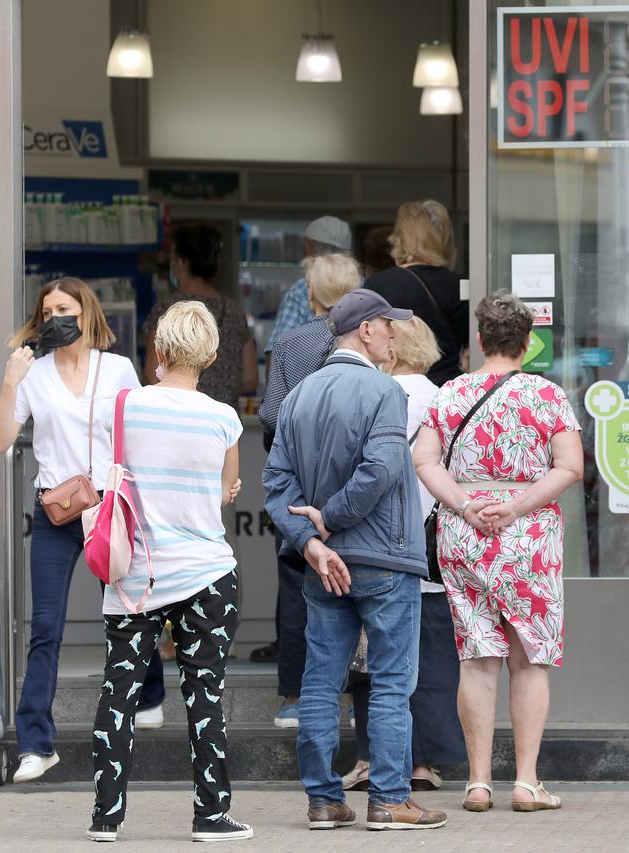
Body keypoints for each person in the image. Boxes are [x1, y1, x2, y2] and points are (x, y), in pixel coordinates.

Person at [263, 289, 447, 832]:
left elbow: (276, 484)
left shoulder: (298, 395)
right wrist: (329, 520)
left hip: (324, 564)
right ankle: (389, 800)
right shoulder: (383, 390)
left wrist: (311, 541)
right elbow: (383, 468)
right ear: (365, 331)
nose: (394, 335)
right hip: (384, 558)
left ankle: (323, 800)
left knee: (320, 681)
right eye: (388, 326)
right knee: (392, 681)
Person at [412, 293, 584, 814]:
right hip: (528, 535)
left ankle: (478, 782)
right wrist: (517, 506)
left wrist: (466, 505)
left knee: (476, 658)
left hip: (466, 535)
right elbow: (570, 466)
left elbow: (423, 458)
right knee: (530, 657)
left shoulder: (451, 393)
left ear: (480, 341)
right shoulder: (548, 395)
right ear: (528, 343)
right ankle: (527, 781)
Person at [88, 301, 251, 843]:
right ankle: (211, 816)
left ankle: (106, 819)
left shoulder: (126, 405)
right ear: (210, 355)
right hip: (206, 572)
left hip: (134, 574)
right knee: (205, 698)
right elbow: (226, 492)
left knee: (120, 694)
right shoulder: (224, 417)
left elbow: (108, 472)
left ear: (158, 350)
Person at [0, 278, 149, 783]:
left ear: (85, 312)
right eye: (48, 309)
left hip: (109, 510)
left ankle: (152, 697)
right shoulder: (33, 373)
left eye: (65, 307)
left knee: (129, 611)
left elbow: (141, 432)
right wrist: (11, 381)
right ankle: (36, 742)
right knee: (46, 628)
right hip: (57, 512)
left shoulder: (118, 367)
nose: (56, 316)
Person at [342, 317, 466, 792]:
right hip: (436, 543)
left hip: (377, 541)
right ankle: (422, 762)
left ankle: (372, 759)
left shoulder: (370, 395)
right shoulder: (447, 400)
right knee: (432, 654)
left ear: (390, 349)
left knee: (372, 653)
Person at [257, 254, 361, 728]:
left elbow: (271, 416)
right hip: (356, 484)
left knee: (298, 588)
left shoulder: (290, 342)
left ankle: (296, 699)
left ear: (312, 295)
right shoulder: (368, 341)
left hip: (300, 483)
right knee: (360, 585)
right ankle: (354, 697)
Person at [143, 223, 256, 408]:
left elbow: (150, 373)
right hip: (222, 423)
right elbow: (250, 378)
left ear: (182, 262)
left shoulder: (167, 309)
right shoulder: (235, 312)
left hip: (177, 418)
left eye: (172, 258)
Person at [363, 200, 468, 386]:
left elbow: (368, 346)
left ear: (400, 238)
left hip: (398, 389)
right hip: (451, 392)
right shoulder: (464, 286)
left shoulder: (379, 284)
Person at [264, 216, 354, 353]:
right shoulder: (365, 287)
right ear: (349, 252)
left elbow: (278, 351)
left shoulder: (300, 291)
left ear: (309, 248)